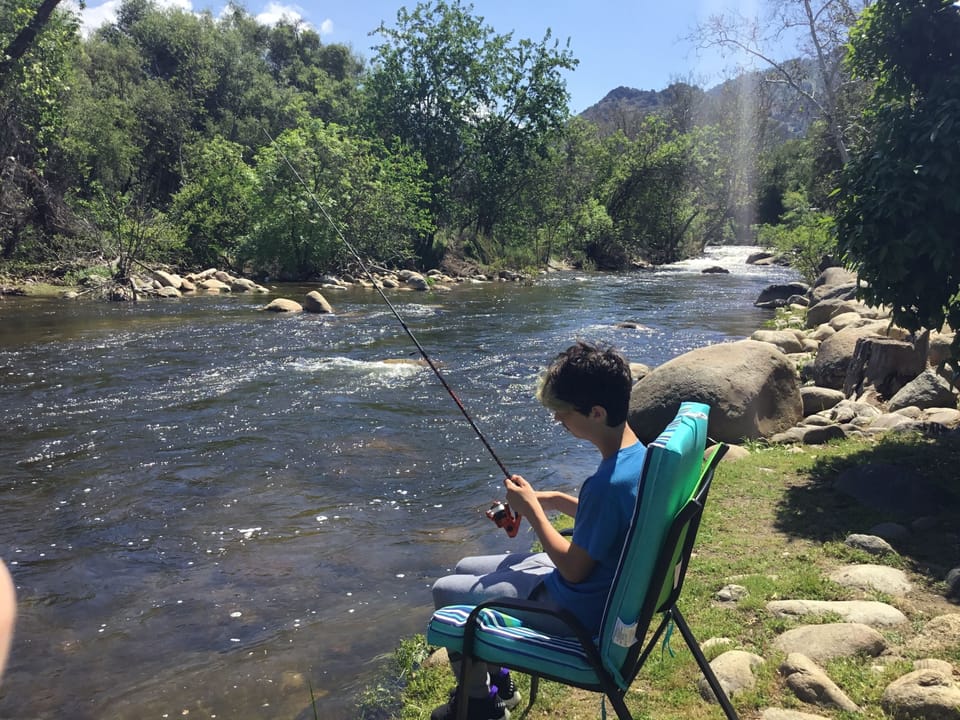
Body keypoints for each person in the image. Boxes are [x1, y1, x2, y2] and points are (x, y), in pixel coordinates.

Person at [430, 341, 646, 720]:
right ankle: (501, 685)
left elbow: (573, 569)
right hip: (600, 590)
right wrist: (554, 500)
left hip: (577, 610)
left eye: (563, 411)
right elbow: (611, 520)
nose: (558, 419)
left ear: (596, 413)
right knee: (465, 567)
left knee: (444, 591)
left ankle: (480, 704)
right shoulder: (637, 457)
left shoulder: (607, 484)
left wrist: (532, 511)